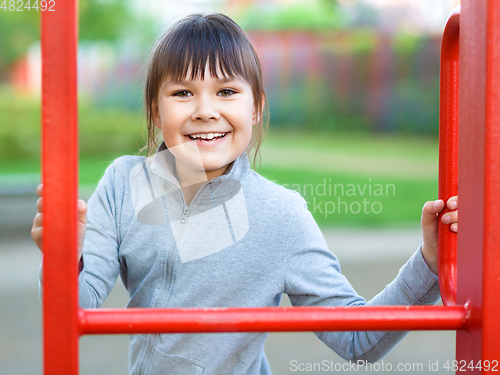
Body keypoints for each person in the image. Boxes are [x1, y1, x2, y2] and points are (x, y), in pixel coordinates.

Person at [32, 13, 458, 375]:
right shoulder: (123, 184)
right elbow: (74, 305)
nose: (204, 109)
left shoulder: (280, 214)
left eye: (226, 92)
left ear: (255, 108)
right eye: (182, 93)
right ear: (156, 112)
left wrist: (429, 266)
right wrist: (63, 252)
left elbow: (357, 338)